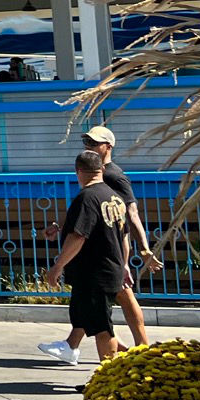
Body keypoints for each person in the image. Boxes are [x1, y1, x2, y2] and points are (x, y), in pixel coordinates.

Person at [40, 149, 131, 365]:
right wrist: (124, 264)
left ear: (78, 171)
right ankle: (71, 347)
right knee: (86, 316)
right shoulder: (114, 197)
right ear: (101, 170)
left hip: (95, 273)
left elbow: (78, 236)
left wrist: (58, 266)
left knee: (102, 329)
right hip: (109, 268)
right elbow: (124, 235)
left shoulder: (87, 198)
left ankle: (108, 377)